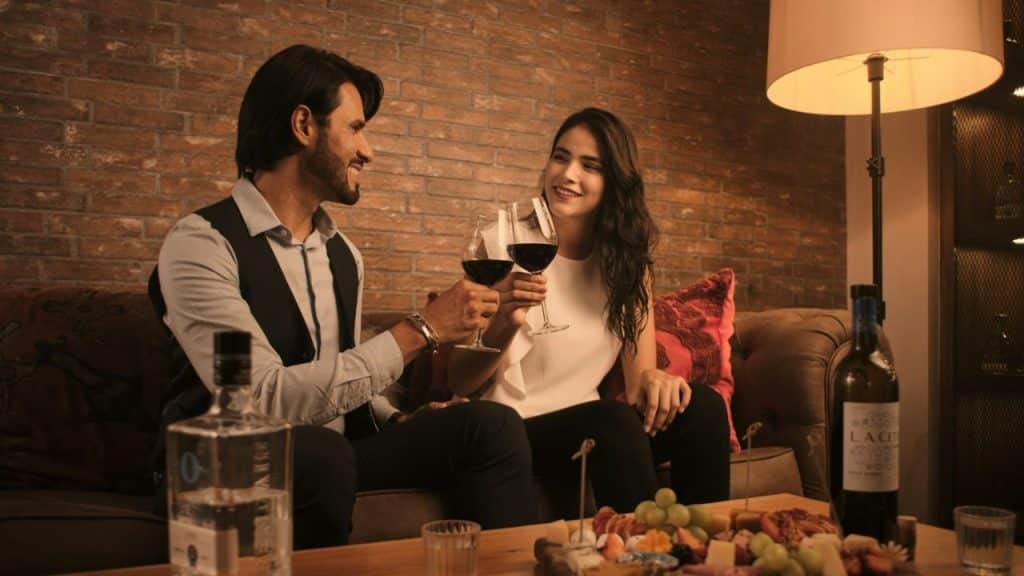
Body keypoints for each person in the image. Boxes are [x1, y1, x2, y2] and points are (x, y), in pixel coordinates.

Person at [149, 44, 536, 548]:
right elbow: (260, 400)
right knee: (318, 454)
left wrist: (395, 417)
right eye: (355, 128)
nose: (368, 150)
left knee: (489, 425)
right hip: (215, 464)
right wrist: (421, 331)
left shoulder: (342, 255)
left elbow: (340, 377)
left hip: (329, 454)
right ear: (304, 125)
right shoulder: (200, 242)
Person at [448, 108, 731, 513]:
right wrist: (506, 324)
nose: (568, 174)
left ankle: (707, 551)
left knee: (702, 406)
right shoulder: (500, 244)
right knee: (608, 421)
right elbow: (461, 381)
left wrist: (661, 384)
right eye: (561, 157)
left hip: (596, 428)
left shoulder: (627, 265)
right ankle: (646, 557)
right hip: (517, 431)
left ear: (614, 181)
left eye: (590, 166)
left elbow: (639, 388)